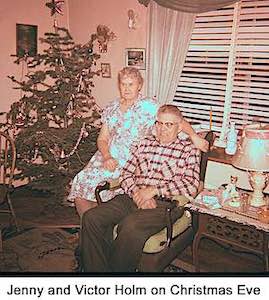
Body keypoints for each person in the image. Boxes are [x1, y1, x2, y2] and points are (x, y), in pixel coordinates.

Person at [68, 67, 207, 218]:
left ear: (139, 85)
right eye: (123, 84)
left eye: (131, 84)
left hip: (131, 159)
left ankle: (97, 225)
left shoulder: (149, 105)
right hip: (108, 156)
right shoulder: (112, 107)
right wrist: (107, 156)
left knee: (102, 189)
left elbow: (174, 119)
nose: (126, 89)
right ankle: (90, 226)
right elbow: (102, 139)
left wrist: (193, 135)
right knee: (81, 181)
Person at [81, 105, 200, 272]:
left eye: (169, 125)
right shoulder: (144, 143)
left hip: (164, 204)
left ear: (179, 127)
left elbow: (191, 184)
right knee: (91, 217)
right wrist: (137, 193)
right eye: (159, 123)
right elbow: (126, 174)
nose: (162, 129)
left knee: (131, 226)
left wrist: (154, 190)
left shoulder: (188, 150)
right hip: (132, 196)